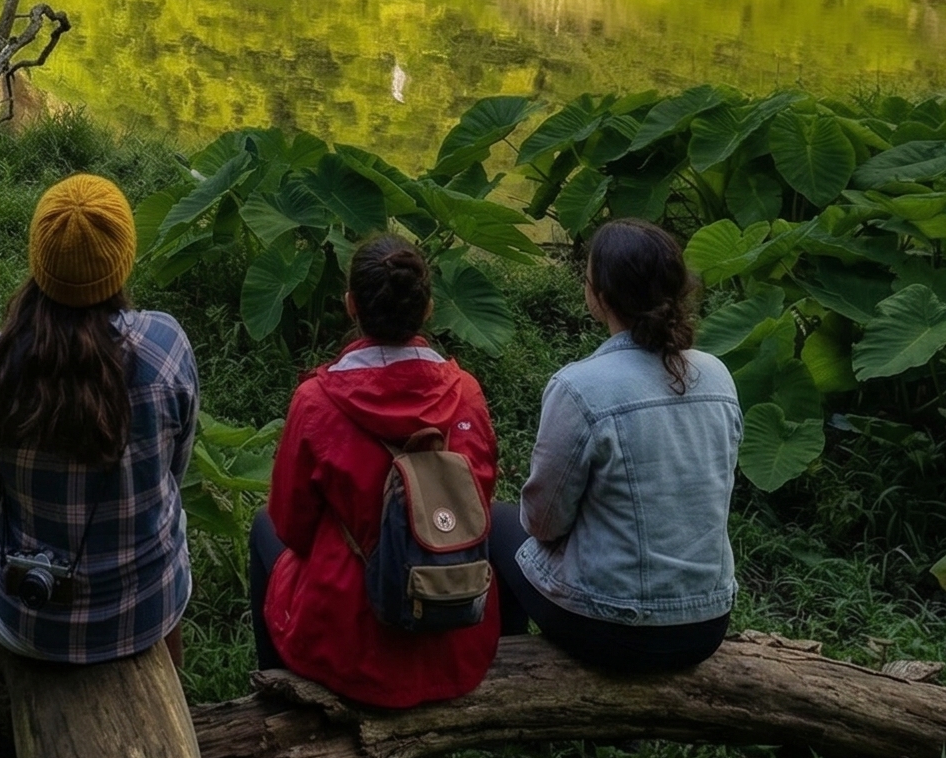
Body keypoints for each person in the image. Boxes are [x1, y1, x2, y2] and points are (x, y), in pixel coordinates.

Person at [0, 174, 198, 666]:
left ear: (38, 260)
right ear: (121, 261)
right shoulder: (166, 347)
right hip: (149, 608)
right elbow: (175, 471)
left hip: (29, 618)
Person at [250, 235, 500, 707]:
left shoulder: (316, 401)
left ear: (350, 305)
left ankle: (278, 698)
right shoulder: (465, 392)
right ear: (428, 308)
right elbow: (478, 502)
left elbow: (292, 526)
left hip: (349, 649)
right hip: (454, 637)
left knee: (264, 526)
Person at [487, 219, 741, 674]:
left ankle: (511, 671)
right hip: (707, 623)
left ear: (599, 295)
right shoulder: (718, 375)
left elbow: (543, 522)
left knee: (496, 523)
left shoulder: (580, 387)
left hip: (615, 630)